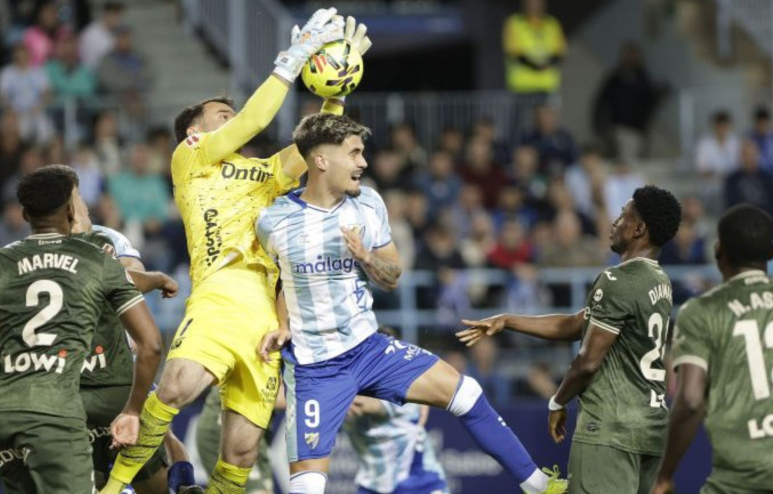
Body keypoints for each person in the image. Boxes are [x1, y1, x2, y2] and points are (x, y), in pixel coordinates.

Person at [98, 9, 355, 494]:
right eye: (222, 117)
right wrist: (291, 60)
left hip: (264, 312)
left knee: (241, 451)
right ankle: (111, 491)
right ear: (196, 132)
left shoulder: (261, 173)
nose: (234, 122)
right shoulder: (190, 158)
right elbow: (260, 115)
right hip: (217, 295)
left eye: (232, 117)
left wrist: (334, 96)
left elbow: (315, 152)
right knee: (174, 388)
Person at [255, 112, 566, 494]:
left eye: (363, 153)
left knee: (465, 392)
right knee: (307, 487)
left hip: (369, 348)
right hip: (316, 368)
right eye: (354, 153)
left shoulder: (367, 203)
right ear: (321, 160)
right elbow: (280, 280)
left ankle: (541, 487)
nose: (363, 163)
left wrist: (367, 259)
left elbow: (394, 275)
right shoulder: (274, 220)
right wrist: (283, 324)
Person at [0, 165, 163, 494]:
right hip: (56, 412)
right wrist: (132, 409)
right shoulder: (97, 261)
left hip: (0, 418)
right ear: (72, 210)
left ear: (23, 214)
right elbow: (151, 345)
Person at [459, 185, 683, 494]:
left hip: (610, 428)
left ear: (639, 228)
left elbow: (588, 361)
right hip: (650, 427)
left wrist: (558, 399)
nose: (614, 223)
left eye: (622, 216)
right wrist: (508, 320)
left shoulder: (617, 281)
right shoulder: (660, 281)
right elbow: (576, 323)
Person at [651, 204, 773, 494]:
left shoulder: (701, 312)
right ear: (770, 253)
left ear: (719, 251)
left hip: (741, 477)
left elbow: (691, 399)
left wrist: (664, 474)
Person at [69, 193, 186, 494]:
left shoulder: (107, 238)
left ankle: (184, 485)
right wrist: (159, 279)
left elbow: (133, 274)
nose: (85, 203)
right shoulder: (49, 250)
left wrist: (133, 328)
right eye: (77, 198)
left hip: (117, 367)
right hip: (76, 381)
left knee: (159, 443)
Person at [344, 327, 449, 494]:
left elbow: (369, 406)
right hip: (371, 485)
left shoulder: (404, 386)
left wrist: (335, 398)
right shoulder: (348, 386)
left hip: (420, 483)